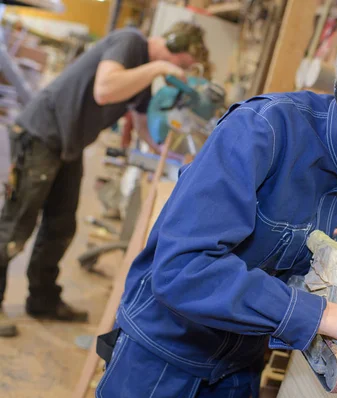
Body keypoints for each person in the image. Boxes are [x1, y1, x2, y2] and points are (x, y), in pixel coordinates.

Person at [95, 14, 337, 398]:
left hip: (240, 367)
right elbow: (183, 270)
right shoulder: (263, 130)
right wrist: (327, 316)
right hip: (162, 363)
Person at [0, 22, 211, 337]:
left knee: (60, 226)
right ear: (172, 45)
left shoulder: (141, 73)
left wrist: (174, 158)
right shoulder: (130, 43)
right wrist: (157, 67)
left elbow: (141, 124)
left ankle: (42, 300)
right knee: (17, 225)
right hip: (42, 135)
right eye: (179, 65)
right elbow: (105, 88)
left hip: (68, 146)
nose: (175, 73)